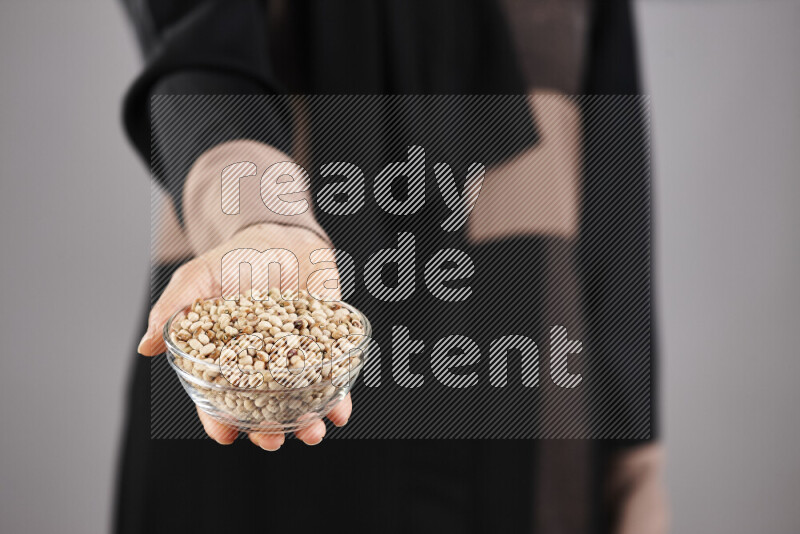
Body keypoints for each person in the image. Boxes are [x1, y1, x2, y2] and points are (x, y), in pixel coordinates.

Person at [116, 1, 666, 532]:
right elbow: (195, 47)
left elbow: (614, 195)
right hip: (249, 363)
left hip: (519, 361)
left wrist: (635, 468)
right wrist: (259, 215)